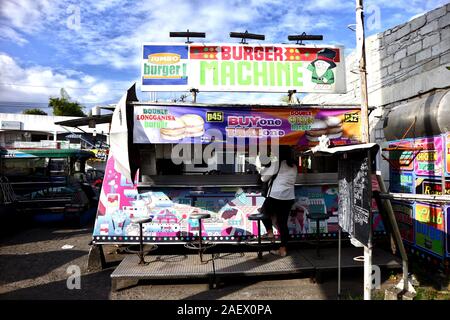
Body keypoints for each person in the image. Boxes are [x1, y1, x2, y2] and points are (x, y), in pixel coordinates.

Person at [259, 146, 298, 257]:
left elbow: (263, 178)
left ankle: (270, 232)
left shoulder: (278, 163)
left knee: (263, 213)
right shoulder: (294, 165)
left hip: (276, 196)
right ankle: (283, 249)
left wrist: (263, 170)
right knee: (283, 224)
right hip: (289, 198)